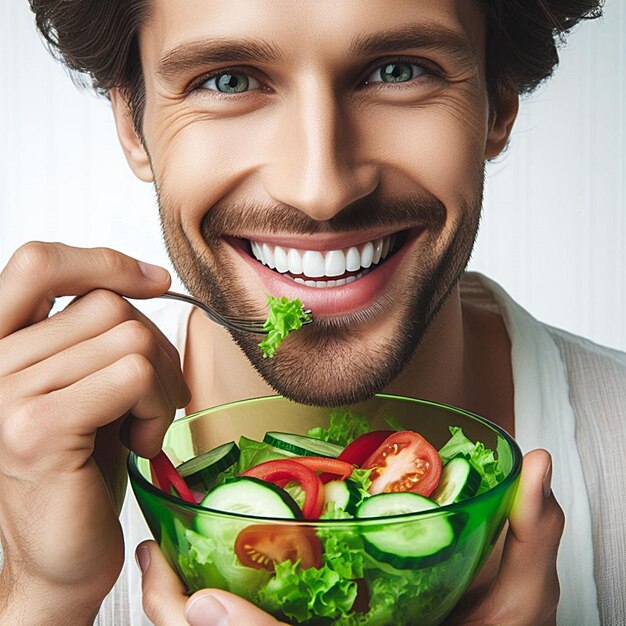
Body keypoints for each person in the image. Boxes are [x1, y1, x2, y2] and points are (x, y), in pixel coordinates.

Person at [0, 1, 623, 625]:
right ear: (134, 127)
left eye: (399, 71)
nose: (320, 188)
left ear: (500, 99)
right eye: (229, 80)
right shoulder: (22, 477)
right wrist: (40, 599)